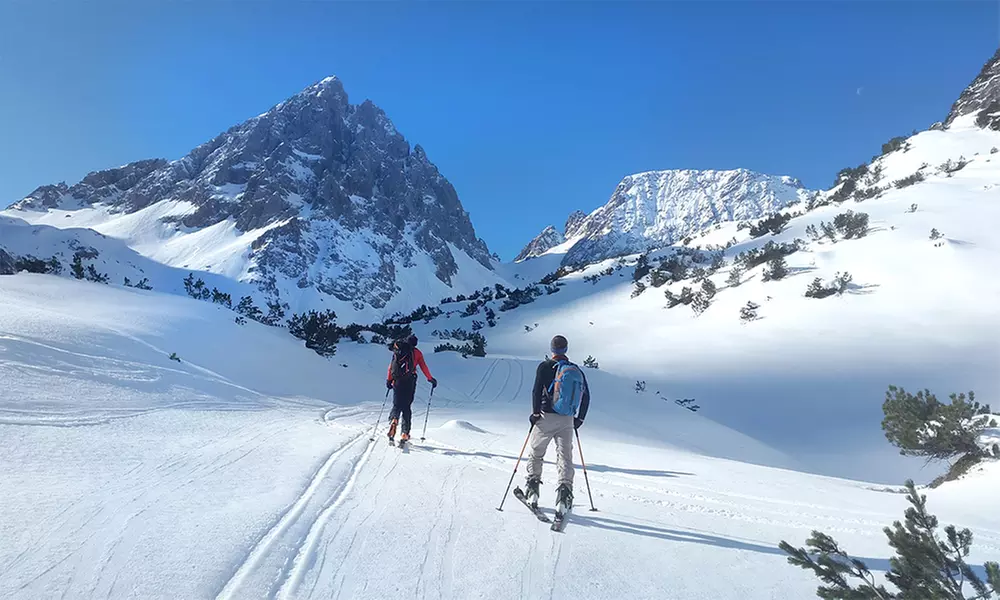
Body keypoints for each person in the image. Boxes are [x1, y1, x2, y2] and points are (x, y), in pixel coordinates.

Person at [525, 335, 589, 512]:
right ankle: (564, 495)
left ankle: (533, 489)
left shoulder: (545, 366)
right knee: (565, 457)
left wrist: (535, 413)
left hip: (545, 417)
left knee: (537, 453)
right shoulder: (575, 370)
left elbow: (536, 391)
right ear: (566, 349)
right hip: (567, 419)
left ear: (552, 349)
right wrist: (579, 419)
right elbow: (586, 396)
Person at [386, 334, 437, 443]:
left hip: (397, 381)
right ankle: (405, 433)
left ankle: (394, 419)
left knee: (396, 405)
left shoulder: (398, 351)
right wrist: (430, 378)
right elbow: (423, 366)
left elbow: (391, 367)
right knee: (406, 407)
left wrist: (389, 380)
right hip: (410, 381)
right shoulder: (417, 353)